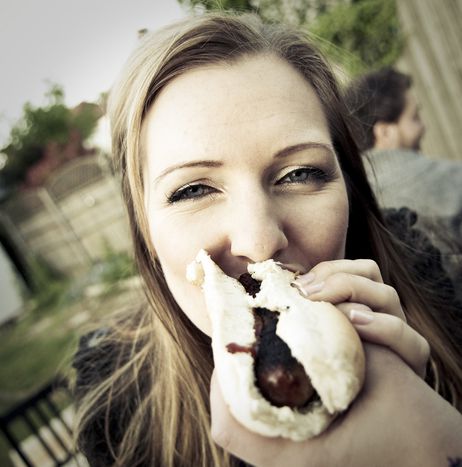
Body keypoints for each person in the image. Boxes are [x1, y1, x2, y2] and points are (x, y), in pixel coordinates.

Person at [72, 12, 462, 467]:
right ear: (145, 231)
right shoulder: (117, 410)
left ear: (349, 187)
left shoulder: (438, 276)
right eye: (193, 189)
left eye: (300, 174)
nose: (259, 243)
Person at [342, 67, 462, 300]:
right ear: (385, 132)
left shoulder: (346, 200)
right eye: (415, 117)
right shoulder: (451, 180)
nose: (423, 126)